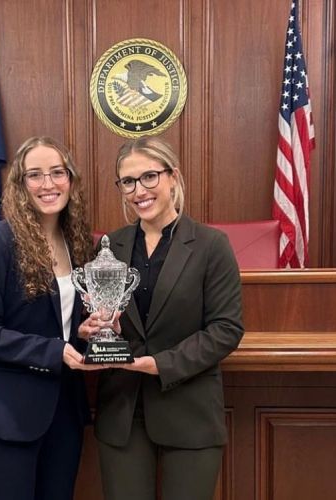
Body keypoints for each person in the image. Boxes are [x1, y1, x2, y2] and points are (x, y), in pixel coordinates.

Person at [82, 135, 245, 500]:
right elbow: (99, 316)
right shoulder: (110, 246)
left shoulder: (210, 245)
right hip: (123, 413)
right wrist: (92, 329)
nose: (139, 190)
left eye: (149, 177)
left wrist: (161, 364)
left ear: (172, 176)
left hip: (189, 409)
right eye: (128, 181)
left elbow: (226, 328)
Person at [0, 136, 99, 500]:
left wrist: (82, 335)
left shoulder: (81, 243)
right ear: (20, 186)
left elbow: (64, 327)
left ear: (71, 179)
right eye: (34, 175)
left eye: (57, 172)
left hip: (65, 411)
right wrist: (52, 351)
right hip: (10, 412)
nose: (48, 184)